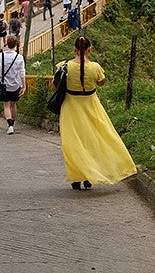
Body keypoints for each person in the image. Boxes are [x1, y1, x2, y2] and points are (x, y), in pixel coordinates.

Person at [58, 36, 137, 190]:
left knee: (74, 143)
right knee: (94, 140)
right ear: (90, 50)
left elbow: (56, 86)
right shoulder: (95, 67)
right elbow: (101, 82)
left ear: (74, 49)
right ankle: (90, 175)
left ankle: (77, 176)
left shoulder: (64, 66)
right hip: (91, 106)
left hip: (70, 107)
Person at [0, 35, 26, 135]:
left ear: (7, 44)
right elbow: (22, 72)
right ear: (16, 45)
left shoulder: (0, 56)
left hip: (4, 85)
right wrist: (24, 86)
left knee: (6, 105)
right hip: (16, 84)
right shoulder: (19, 57)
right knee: (13, 104)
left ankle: (10, 125)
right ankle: (13, 123)